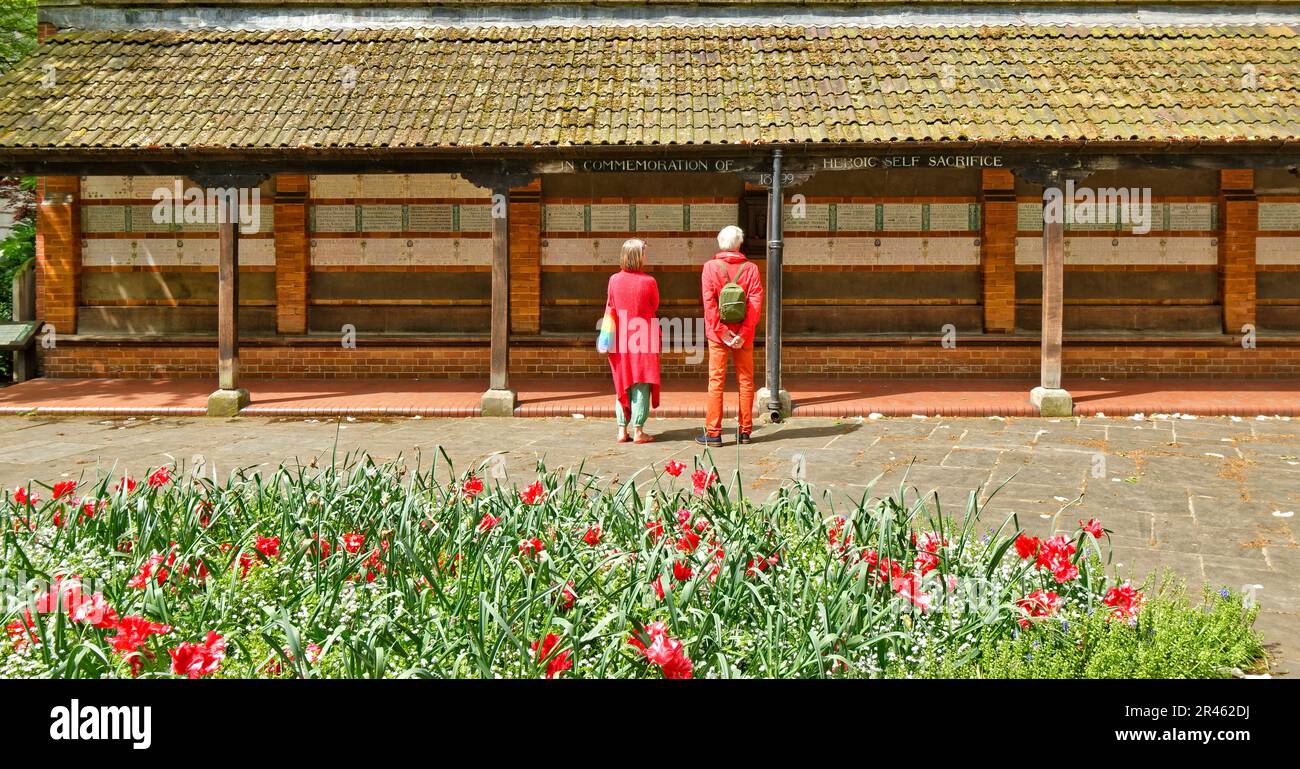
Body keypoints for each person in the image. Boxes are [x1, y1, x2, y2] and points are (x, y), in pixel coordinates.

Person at [698, 225, 763, 446]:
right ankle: (745, 432)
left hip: (718, 337)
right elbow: (755, 304)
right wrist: (743, 333)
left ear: (720, 242)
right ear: (739, 244)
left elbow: (709, 305)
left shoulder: (709, 267)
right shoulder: (751, 269)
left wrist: (722, 332)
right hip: (744, 336)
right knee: (745, 381)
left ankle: (714, 433)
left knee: (716, 382)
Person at [603, 238, 661, 444]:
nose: (646, 256)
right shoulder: (649, 281)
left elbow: (611, 305)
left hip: (620, 338)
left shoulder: (613, 280)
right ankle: (638, 430)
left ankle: (621, 430)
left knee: (623, 382)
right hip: (643, 336)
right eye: (644, 252)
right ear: (638, 256)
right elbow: (654, 305)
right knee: (641, 383)